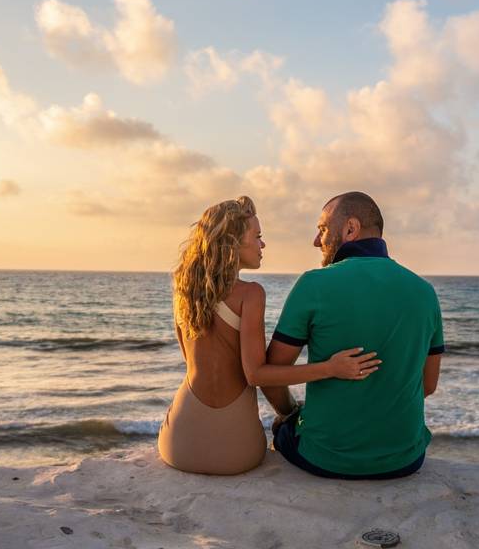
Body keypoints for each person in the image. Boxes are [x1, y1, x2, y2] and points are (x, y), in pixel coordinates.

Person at [157, 196, 382, 475]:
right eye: (258, 236)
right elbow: (257, 375)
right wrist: (329, 368)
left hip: (178, 444)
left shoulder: (184, 289)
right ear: (233, 242)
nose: (262, 245)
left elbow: (190, 361)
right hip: (235, 453)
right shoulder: (251, 294)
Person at [264, 191, 444, 479]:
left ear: (350, 228)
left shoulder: (313, 284)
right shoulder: (425, 292)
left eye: (322, 229)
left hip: (325, 458)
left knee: (282, 428)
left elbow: (271, 374)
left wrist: (289, 412)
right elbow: (429, 385)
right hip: (405, 459)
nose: (315, 240)